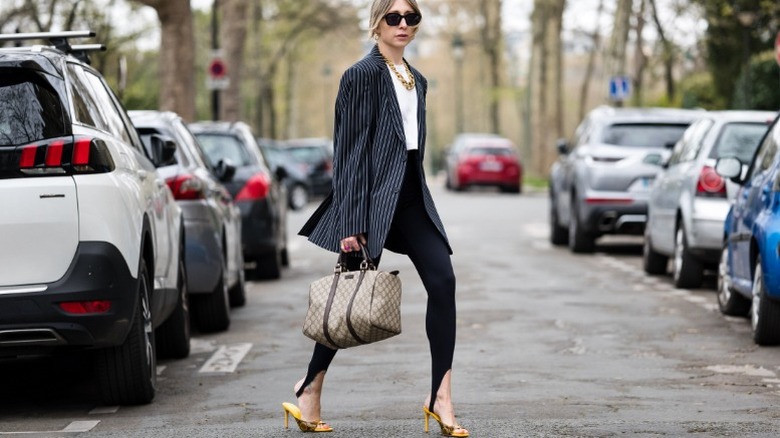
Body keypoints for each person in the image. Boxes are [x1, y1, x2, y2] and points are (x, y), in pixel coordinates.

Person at [282, 0, 468, 436]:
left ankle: (440, 397)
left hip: (412, 198)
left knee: (443, 282)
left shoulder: (417, 79)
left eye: (411, 17)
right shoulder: (360, 75)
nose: (403, 25)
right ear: (377, 22)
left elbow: (411, 148)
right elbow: (348, 152)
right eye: (394, 17)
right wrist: (351, 221)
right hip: (371, 203)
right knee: (344, 300)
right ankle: (310, 387)